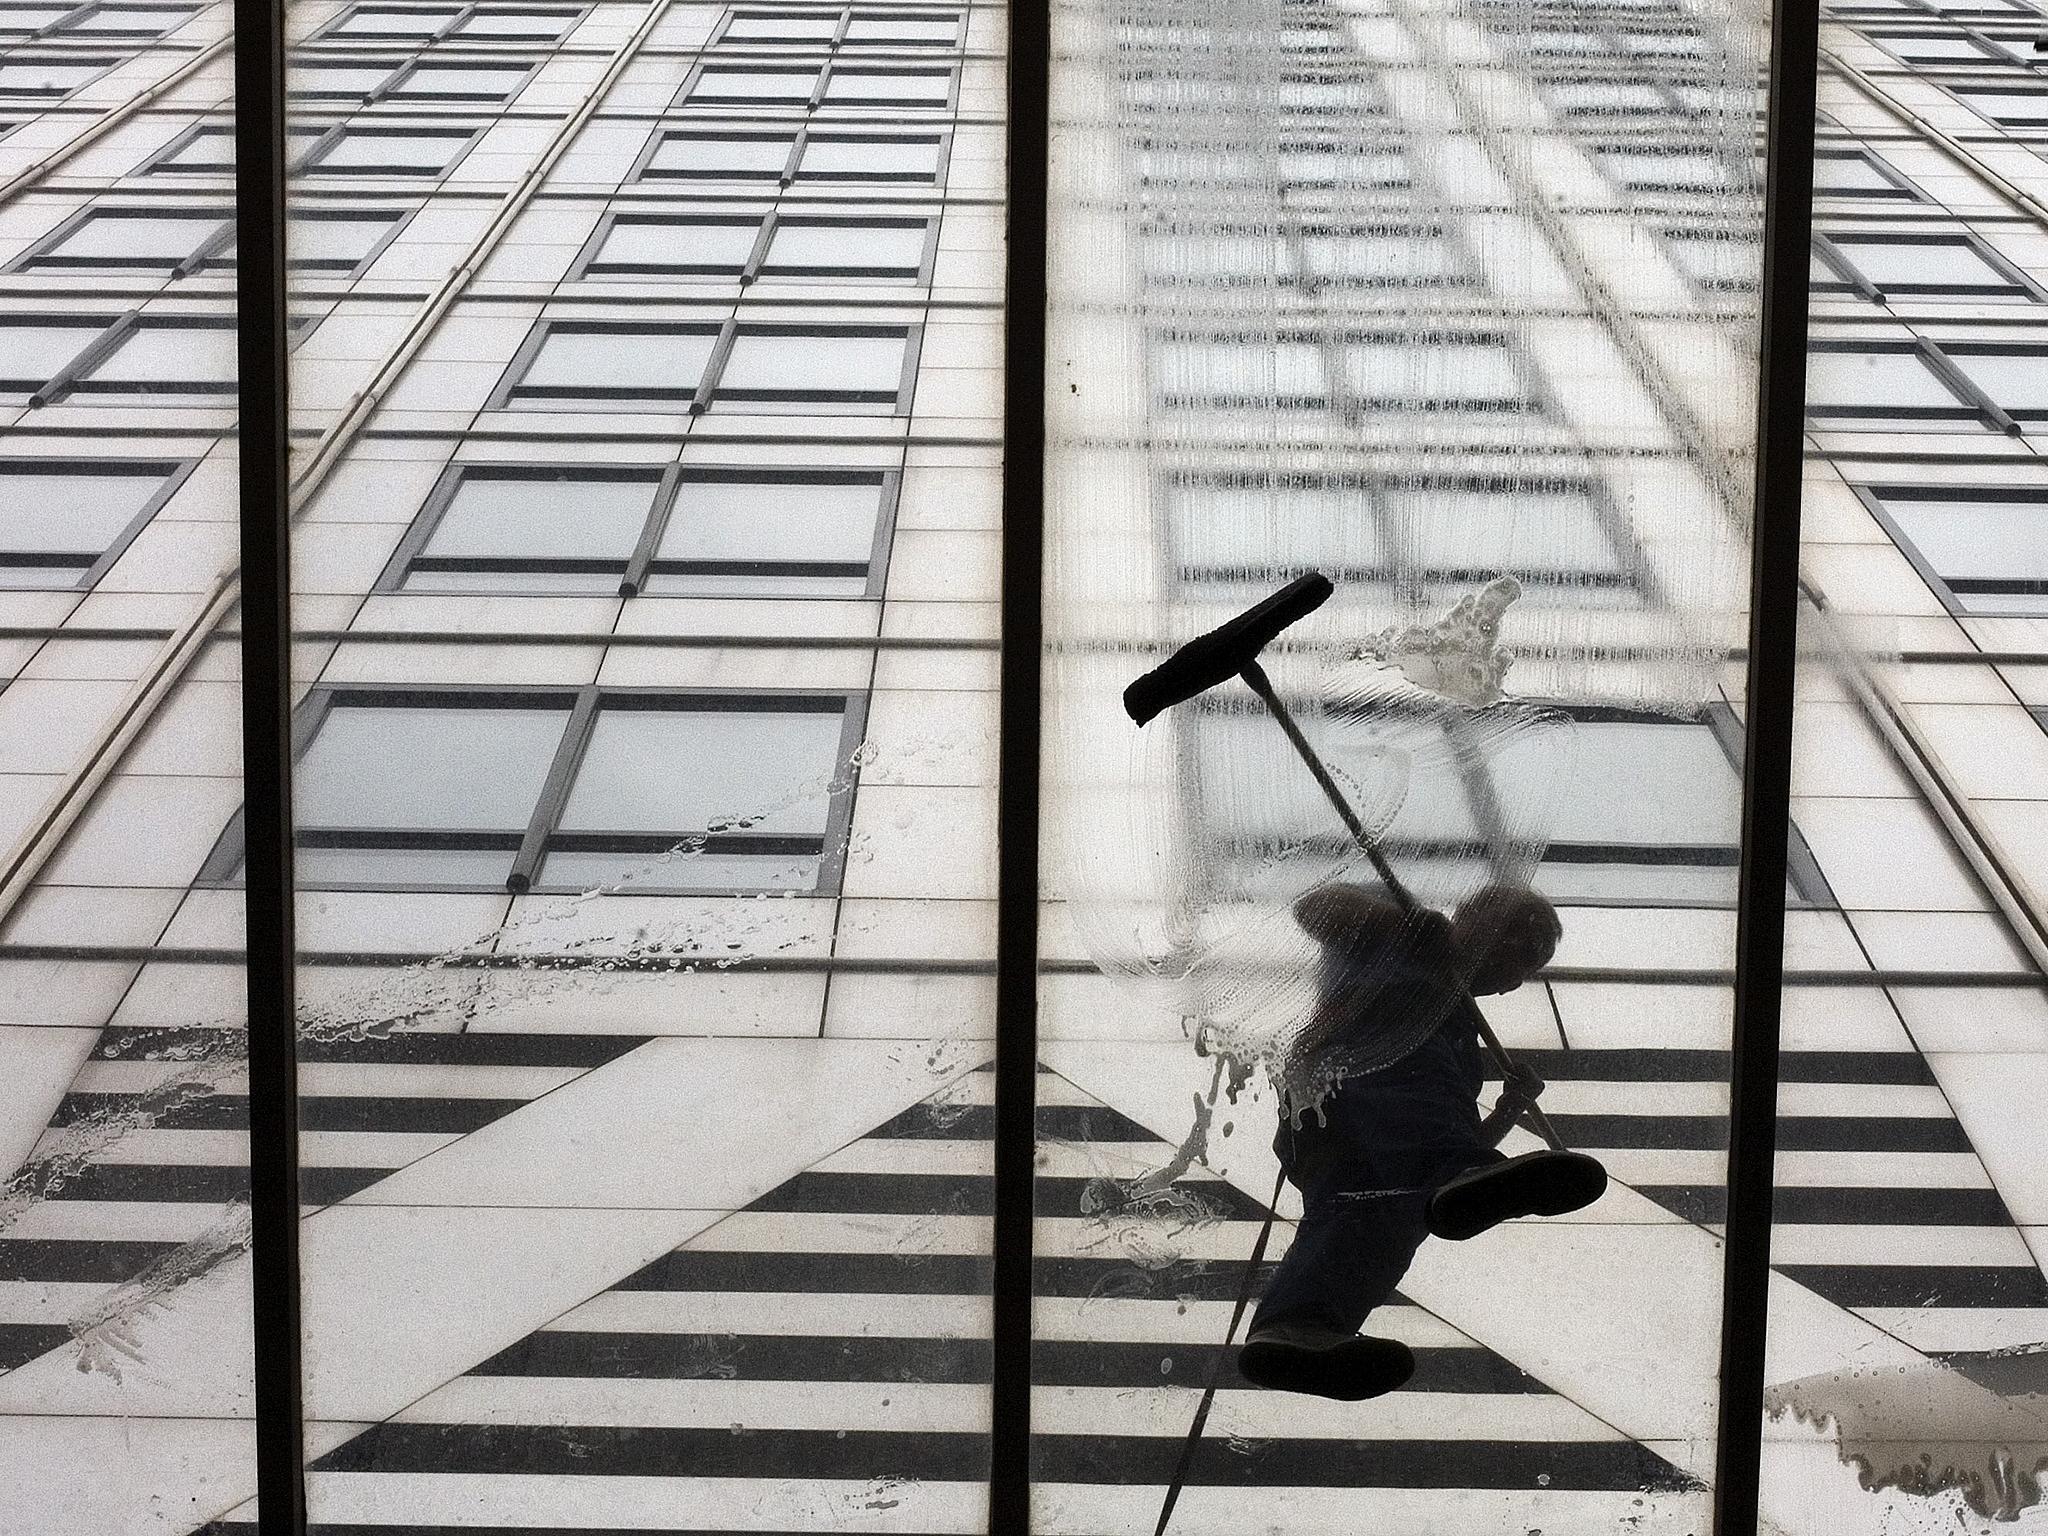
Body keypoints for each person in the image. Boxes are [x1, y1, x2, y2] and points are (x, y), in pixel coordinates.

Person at [1236, 880, 1608, 1401]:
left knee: (1379, 1222)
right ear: (1469, 916)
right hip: (1343, 1076)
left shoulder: (1456, 1032)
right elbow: (1313, 907)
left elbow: (1440, 1153)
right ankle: (1452, 1178)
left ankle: (1298, 1327)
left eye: (1528, 964)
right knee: (1421, 1124)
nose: (1513, 971)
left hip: (1340, 1137)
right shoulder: (1405, 930)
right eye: (1516, 942)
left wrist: (1505, 1111)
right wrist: (1404, 926)